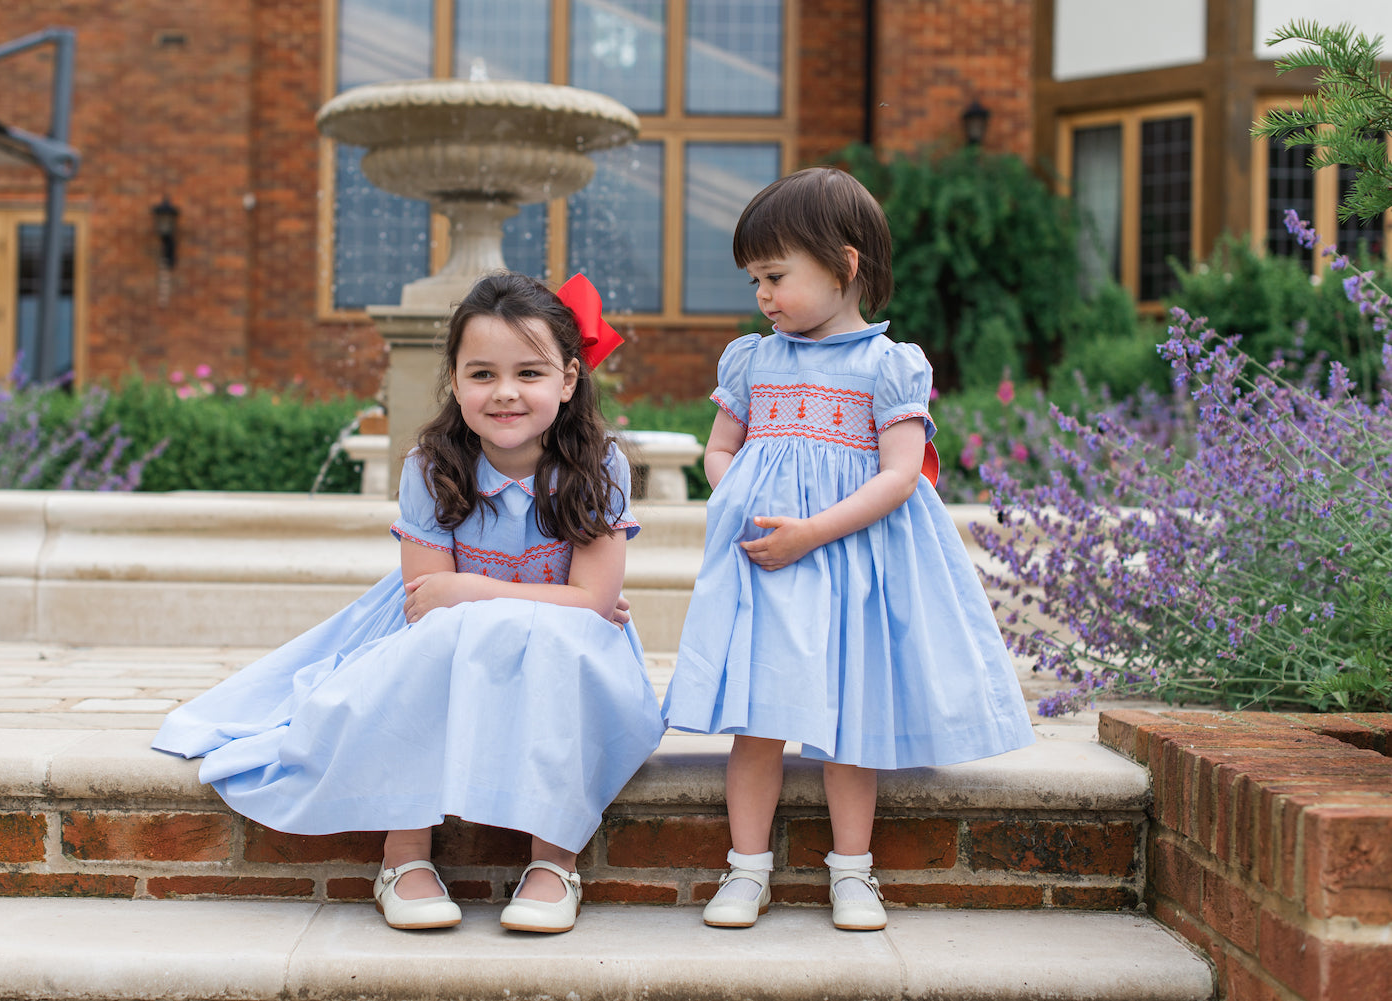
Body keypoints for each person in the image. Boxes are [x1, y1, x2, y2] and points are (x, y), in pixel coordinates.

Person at [153, 271, 665, 935]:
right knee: (433, 648)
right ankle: (405, 853)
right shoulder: (432, 465)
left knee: (555, 643)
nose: (505, 392)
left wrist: (476, 586)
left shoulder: (600, 465)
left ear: (568, 379)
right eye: (482, 373)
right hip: (447, 637)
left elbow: (592, 601)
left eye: (529, 373)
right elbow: (429, 606)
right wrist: (544, 598)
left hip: (564, 645)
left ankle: (553, 856)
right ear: (454, 379)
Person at [661, 166, 1035, 932]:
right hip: (769, 557)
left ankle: (853, 872)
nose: (762, 295)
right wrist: (747, 498)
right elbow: (719, 451)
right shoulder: (753, 360)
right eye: (754, 280)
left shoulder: (887, 366)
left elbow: (900, 475)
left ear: (845, 264)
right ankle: (746, 868)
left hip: (850, 562)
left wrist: (813, 529)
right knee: (758, 717)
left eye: (775, 275)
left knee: (850, 716)